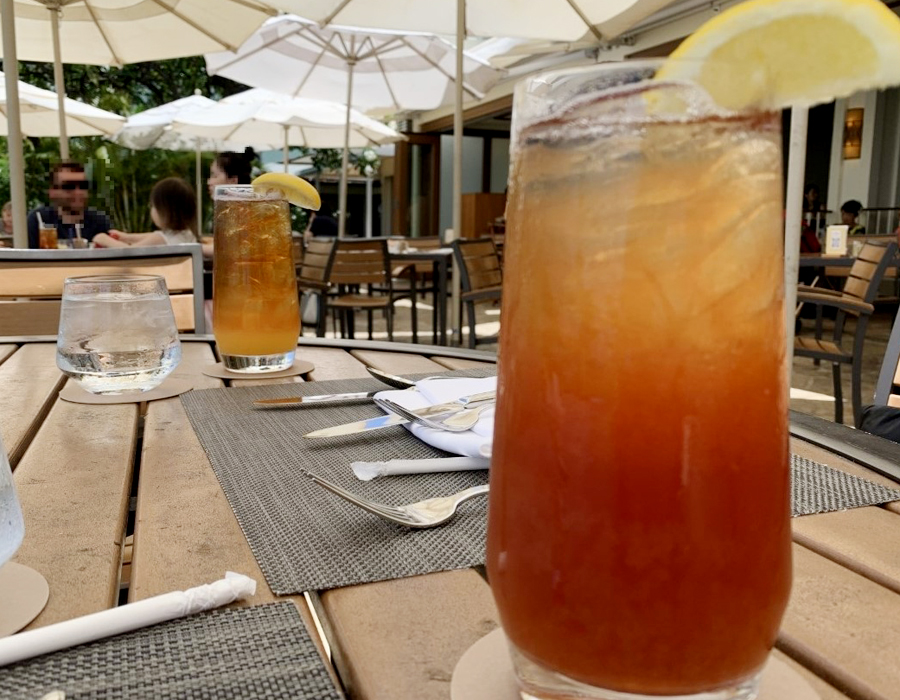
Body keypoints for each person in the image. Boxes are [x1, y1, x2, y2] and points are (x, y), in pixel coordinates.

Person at [94, 177, 199, 249]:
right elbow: (150, 236)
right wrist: (125, 237)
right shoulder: (186, 234)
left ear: (165, 210)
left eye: (153, 206)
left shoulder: (162, 239)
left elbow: (130, 252)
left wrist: (105, 240)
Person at [26, 162, 112, 248]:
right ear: (52, 192)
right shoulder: (38, 220)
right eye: (69, 186)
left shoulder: (99, 221)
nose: (78, 192)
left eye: (83, 186)